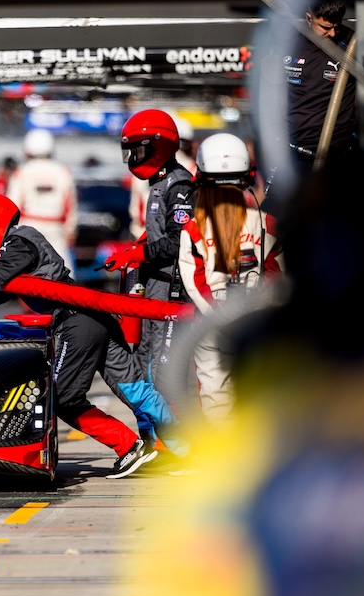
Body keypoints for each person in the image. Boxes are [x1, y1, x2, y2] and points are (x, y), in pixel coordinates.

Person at [0, 193, 158, 479]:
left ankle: (128, 445)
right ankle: (178, 446)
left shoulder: (19, 242)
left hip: (77, 321)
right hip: (91, 317)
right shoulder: (18, 252)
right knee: (136, 388)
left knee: (61, 398)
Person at [104, 109, 198, 451]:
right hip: (153, 291)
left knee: (166, 374)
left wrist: (137, 255)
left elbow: (179, 241)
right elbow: (159, 234)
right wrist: (136, 248)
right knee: (143, 364)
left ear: (158, 146)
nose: (133, 157)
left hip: (174, 292)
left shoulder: (180, 185)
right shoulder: (158, 182)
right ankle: (158, 442)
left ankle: (187, 446)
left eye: (138, 149)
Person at [177, 132, 284, 423]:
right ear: (248, 178)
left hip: (211, 324)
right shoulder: (266, 223)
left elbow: (195, 282)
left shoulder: (193, 230)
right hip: (258, 319)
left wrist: (219, 313)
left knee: (216, 395)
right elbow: (278, 275)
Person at [264, 0, 364, 215]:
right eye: (325, 27)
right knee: (274, 222)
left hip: (337, 159)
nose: (333, 33)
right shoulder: (287, 43)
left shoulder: (356, 42)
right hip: (295, 156)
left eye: (337, 26)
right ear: (309, 17)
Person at [6, 128, 78, 271]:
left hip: (27, 228)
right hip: (56, 230)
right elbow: (70, 205)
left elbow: (12, 207)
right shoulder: (63, 172)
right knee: (63, 276)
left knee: (25, 275)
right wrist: (70, 231)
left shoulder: (21, 172)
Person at [128, 115, 197, 240]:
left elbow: (136, 212)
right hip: (157, 240)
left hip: (152, 239)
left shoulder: (183, 173)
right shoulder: (193, 170)